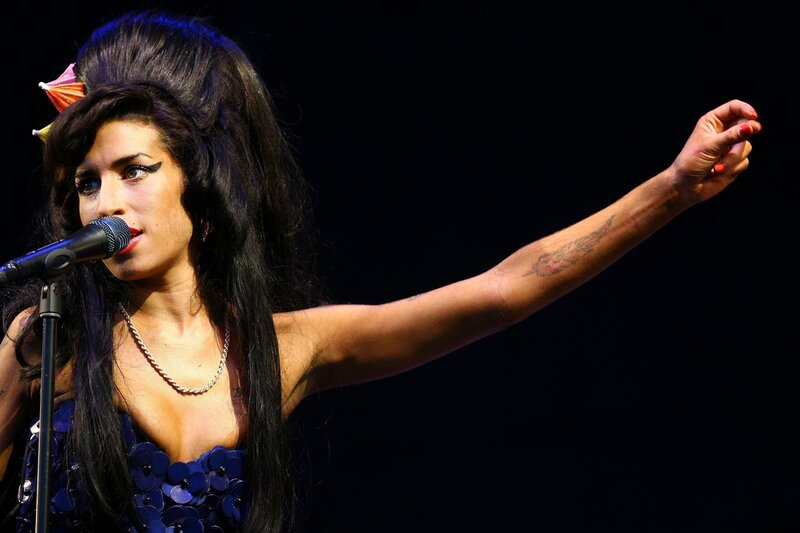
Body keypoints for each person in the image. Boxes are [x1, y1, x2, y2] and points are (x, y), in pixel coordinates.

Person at [0, 9, 761, 533]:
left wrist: (672, 189)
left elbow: (504, 290)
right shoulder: (47, 343)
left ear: (198, 183)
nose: (106, 202)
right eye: (87, 183)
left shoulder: (283, 349)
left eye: (134, 170)